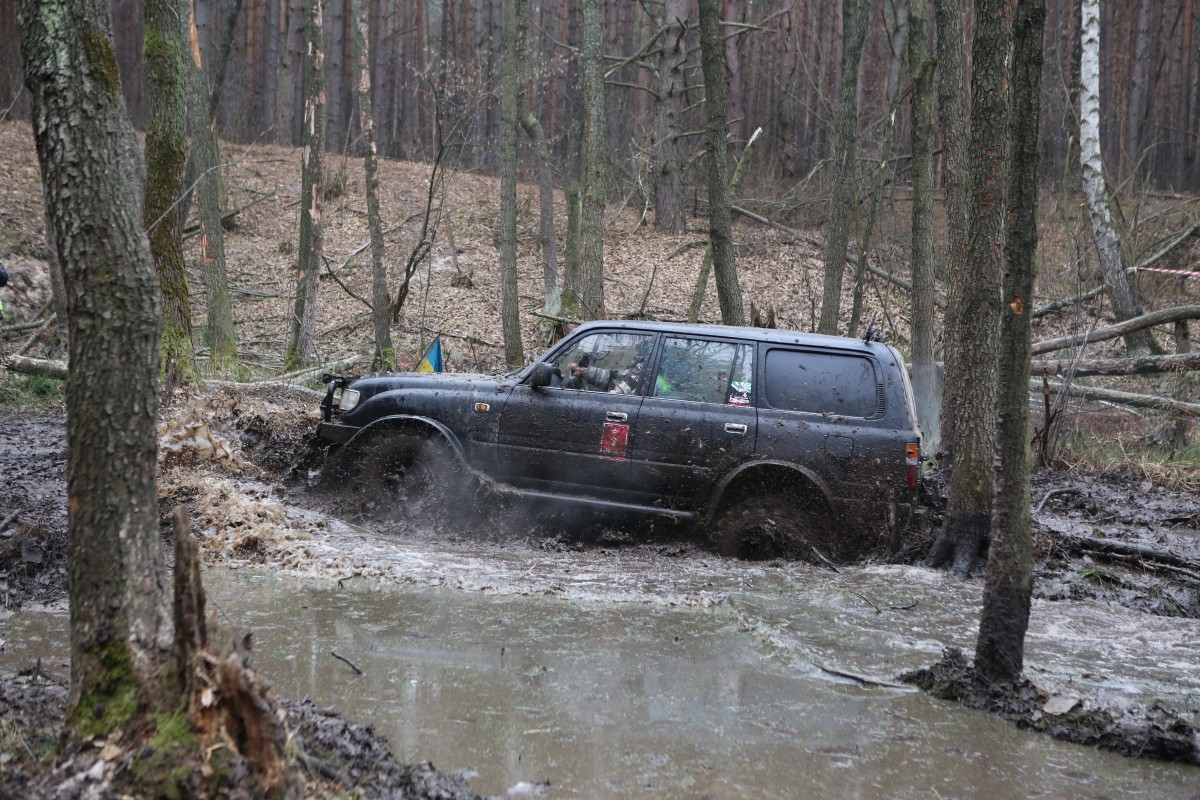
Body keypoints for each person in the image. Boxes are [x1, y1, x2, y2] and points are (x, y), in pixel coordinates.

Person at [567, 338, 651, 394]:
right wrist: (584, 372)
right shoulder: (641, 366)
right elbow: (613, 377)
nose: (636, 354)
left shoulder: (644, 370)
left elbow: (618, 394)